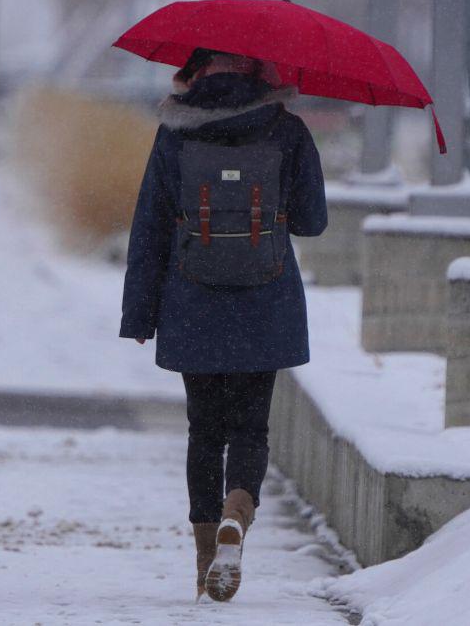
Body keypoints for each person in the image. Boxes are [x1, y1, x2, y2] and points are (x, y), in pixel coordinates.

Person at [120, 47, 328, 603]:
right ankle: (240, 510)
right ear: (262, 70)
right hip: (265, 297)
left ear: (194, 71)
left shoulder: (176, 132)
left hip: (194, 298)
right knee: (251, 427)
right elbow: (313, 221)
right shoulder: (287, 131)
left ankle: (207, 554)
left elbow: (150, 227)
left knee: (205, 430)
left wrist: (140, 312)